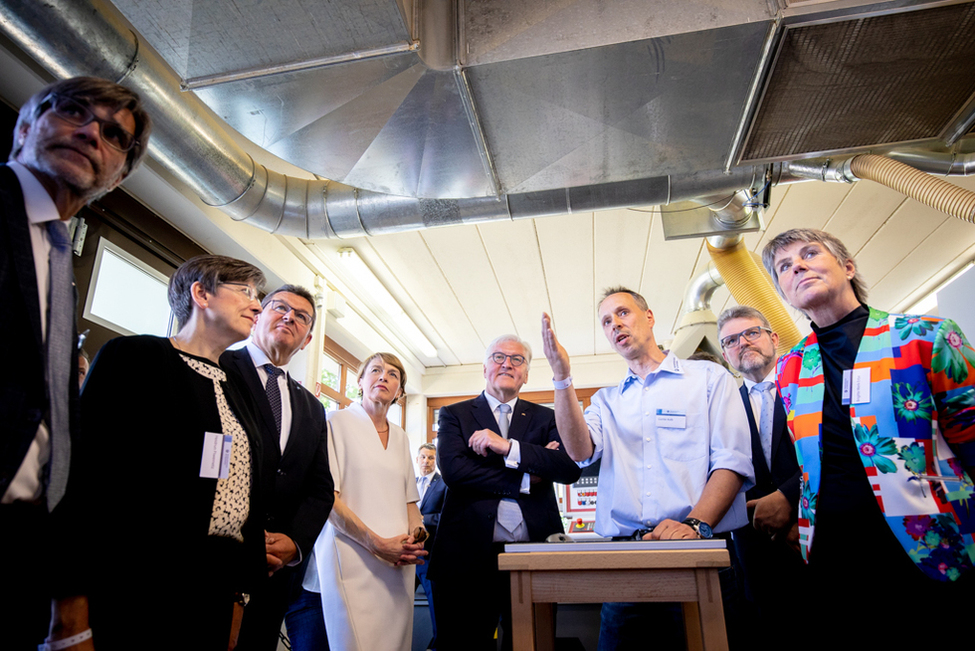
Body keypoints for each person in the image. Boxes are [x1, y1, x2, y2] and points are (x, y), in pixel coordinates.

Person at [762, 228, 975, 648]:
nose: (797, 266)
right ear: (784, 292)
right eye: (784, 267)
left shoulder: (922, 335)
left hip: (927, 541)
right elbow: (810, 462)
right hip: (832, 551)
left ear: (847, 266)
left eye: (809, 254)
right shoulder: (789, 368)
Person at [0, 76, 151, 650]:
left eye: (114, 135)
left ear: (117, 175)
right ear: (23, 127)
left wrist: (70, 606)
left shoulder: (56, 253)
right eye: (72, 111)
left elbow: (53, 437)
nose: (91, 132)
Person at [51, 254, 268, 650]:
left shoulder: (240, 390)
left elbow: (247, 505)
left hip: (215, 593)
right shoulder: (133, 358)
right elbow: (81, 482)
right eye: (245, 292)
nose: (257, 304)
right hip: (135, 585)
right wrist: (69, 612)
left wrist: (240, 597)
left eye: (258, 295)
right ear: (200, 293)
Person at [541, 287, 753, 649]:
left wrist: (694, 525)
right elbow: (579, 451)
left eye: (622, 313)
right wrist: (562, 377)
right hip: (627, 562)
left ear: (650, 317)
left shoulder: (708, 379)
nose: (615, 325)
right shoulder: (606, 401)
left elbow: (730, 462)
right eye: (606, 321)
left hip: (698, 553)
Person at [431, 335, 582, 651]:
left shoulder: (548, 416)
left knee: (532, 643)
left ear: (526, 374)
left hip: (534, 553)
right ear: (485, 368)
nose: (507, 364)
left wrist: (507, 447)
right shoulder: (453, 415)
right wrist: (529, 473)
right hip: (466, 554)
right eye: (498, 357)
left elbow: (569, 467)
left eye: (517, 360)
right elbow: (456, 473)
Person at [221, 285, 335, 651]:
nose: (289, 317)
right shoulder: (219, 369)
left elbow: (319, 488)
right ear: (257, 315)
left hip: (276, 569)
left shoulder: (312, 407)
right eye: (280, 308)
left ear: (307, 339)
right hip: (219, 557)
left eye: (301, 316)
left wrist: (294, 542)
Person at [297, 352, 426, 651]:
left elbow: (410, 503)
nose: (384, 377)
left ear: (400, 392)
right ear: (360, 380)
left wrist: (417, 537)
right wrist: (377, 543)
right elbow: (328, 499)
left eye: (393, 374)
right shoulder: (334, 422)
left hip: (397, 562)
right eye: (376, 370)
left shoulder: (401, 437)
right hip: (352, 552)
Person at [717, 305, 804, 650]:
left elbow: (838, 452)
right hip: (753, 547)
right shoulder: (724, 407)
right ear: (726, 355)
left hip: (813, 529)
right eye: (732, 340)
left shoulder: (808, 387)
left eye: (752, 333)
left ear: (774, 338)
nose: (743, 343)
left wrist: (791, 500)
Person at [414, 442, 446, 649]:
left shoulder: (444, 484)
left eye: (431, 458)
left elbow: (446, 516)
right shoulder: (406, 483)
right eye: (423, 457)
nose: (427, 461)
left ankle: (437, 645)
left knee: (436, 603)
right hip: (404, 553)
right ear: (417, 459)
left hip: (429, 553)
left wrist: (421, 520)